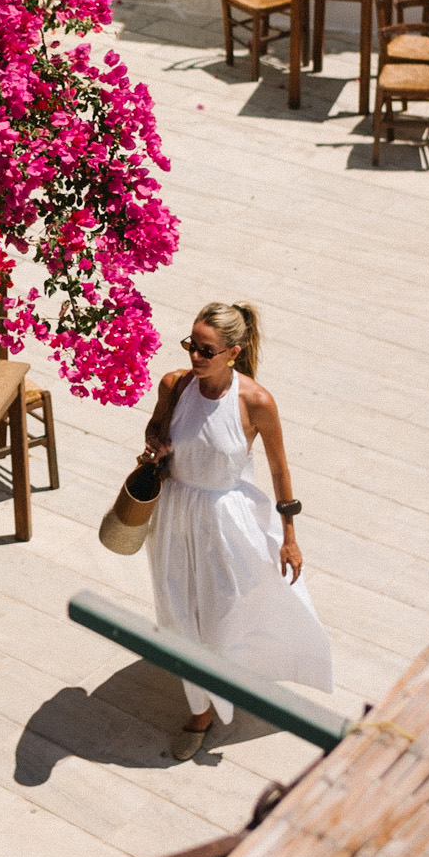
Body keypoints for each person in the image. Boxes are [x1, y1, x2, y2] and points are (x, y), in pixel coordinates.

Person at [142, 300, 333, 760]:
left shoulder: (255, 402)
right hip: (173, 514)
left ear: (233, 352)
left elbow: (280, 469)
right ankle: (201, 706)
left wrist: (289, 536)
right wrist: (156, 443)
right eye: (191, 345)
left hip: (226, 521)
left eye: (206, 350)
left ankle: (217, 696)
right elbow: (154, 427)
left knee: (224, 613)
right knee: (177, 613)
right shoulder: (174, 384)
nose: (195, 357)